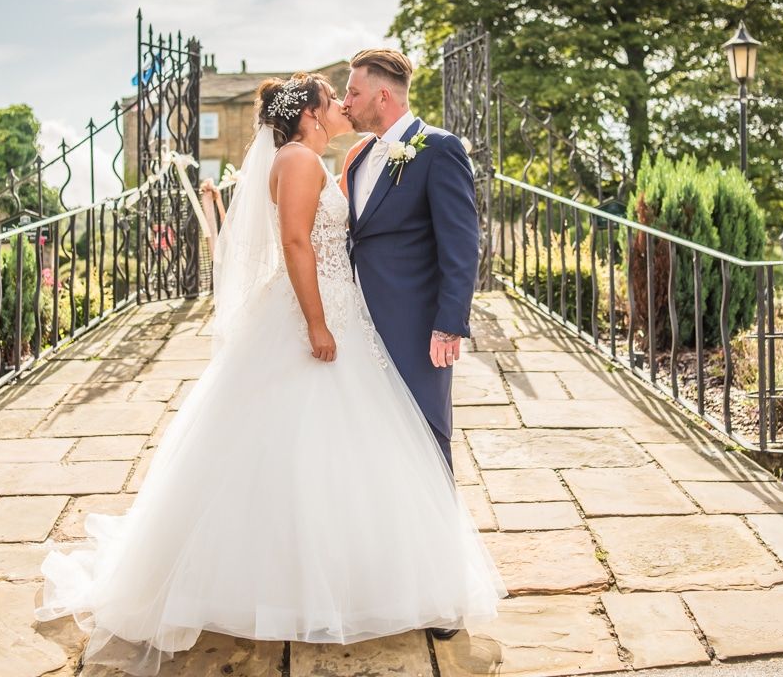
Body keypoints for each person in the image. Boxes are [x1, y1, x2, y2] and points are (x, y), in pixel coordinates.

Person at [34, 72, 505, 676]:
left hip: (356, 314)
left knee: (346, 449)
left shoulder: (331, 157)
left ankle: (353, 571)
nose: (343, 103)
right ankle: (316, 583)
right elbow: (297, 244)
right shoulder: (303, 161)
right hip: (319, 315)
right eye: (334, 97)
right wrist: (316, 322)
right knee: (310, 448)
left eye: (350, 94)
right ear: (310, 113)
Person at [342, 49, 479, 471]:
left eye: (352, 92)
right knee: (369, 437)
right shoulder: (361, 157)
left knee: (424, 433)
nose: (344, 102)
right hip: (356, 325)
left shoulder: (439, 149)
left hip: (416, 329)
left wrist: (449, 323)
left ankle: (436, 534)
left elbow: (462, 243)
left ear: (382, 96)